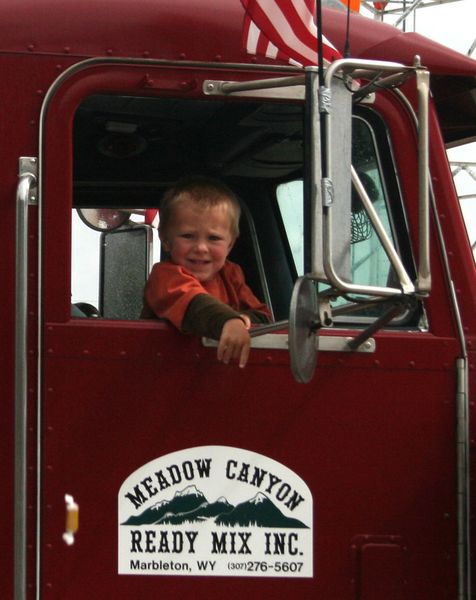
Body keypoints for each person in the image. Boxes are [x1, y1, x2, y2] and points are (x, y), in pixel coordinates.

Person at [141, 176, 272, 368]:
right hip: (168, 370)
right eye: (188, 236)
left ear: (230, 244)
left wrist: (242, 322)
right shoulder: (164, 276)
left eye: (213, 238)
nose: (201, 247)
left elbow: (265, 318)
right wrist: (228, 321)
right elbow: (194, 304)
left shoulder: (231, 273)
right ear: (166, 240)